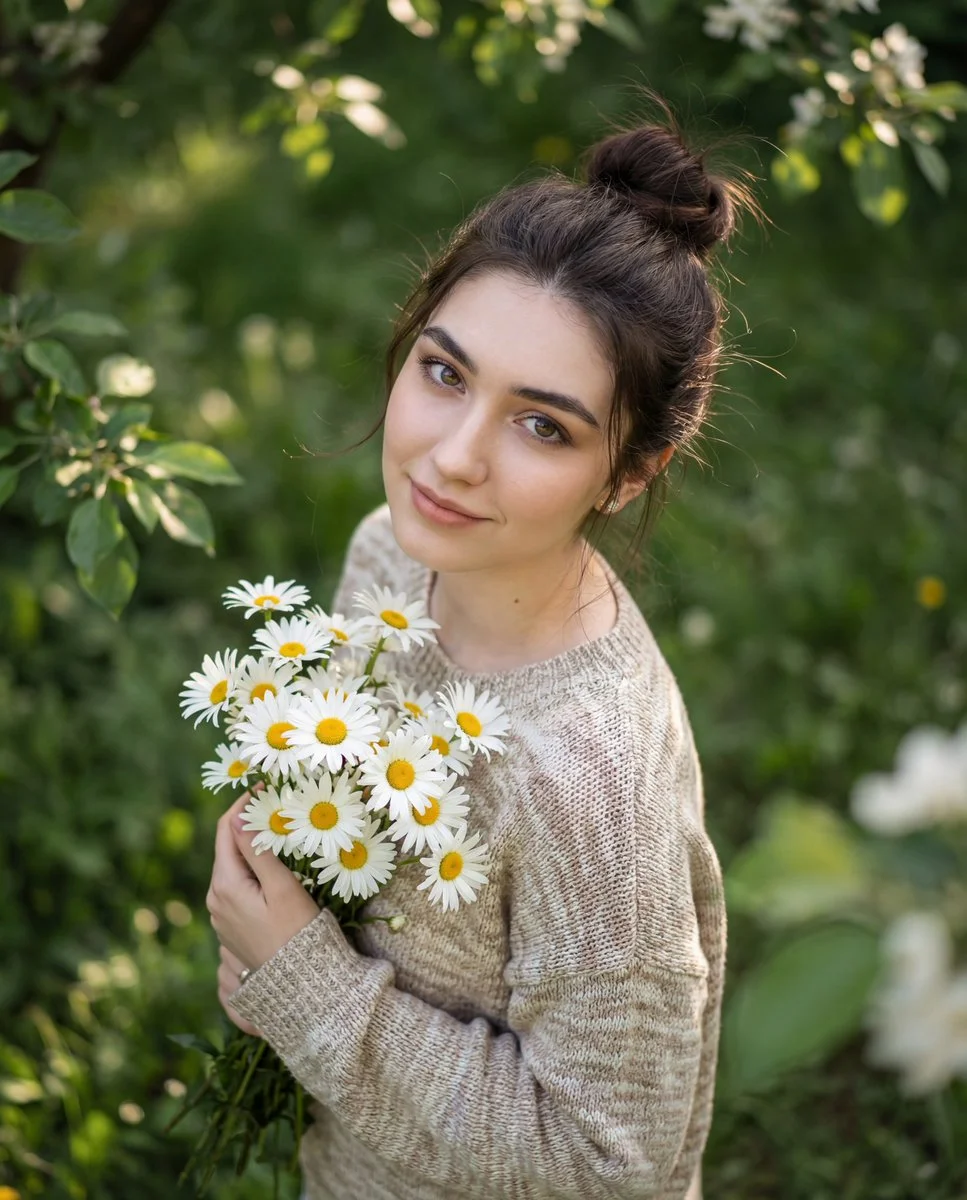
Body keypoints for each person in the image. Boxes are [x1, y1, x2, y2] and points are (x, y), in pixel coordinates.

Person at [206, 108, 755, 1199]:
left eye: (541, 425)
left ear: (629, 475)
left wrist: (302, 984)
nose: (451, 459)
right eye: (445, 373)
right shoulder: (389, 564)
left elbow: (613, 1164)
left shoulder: (593, 787)